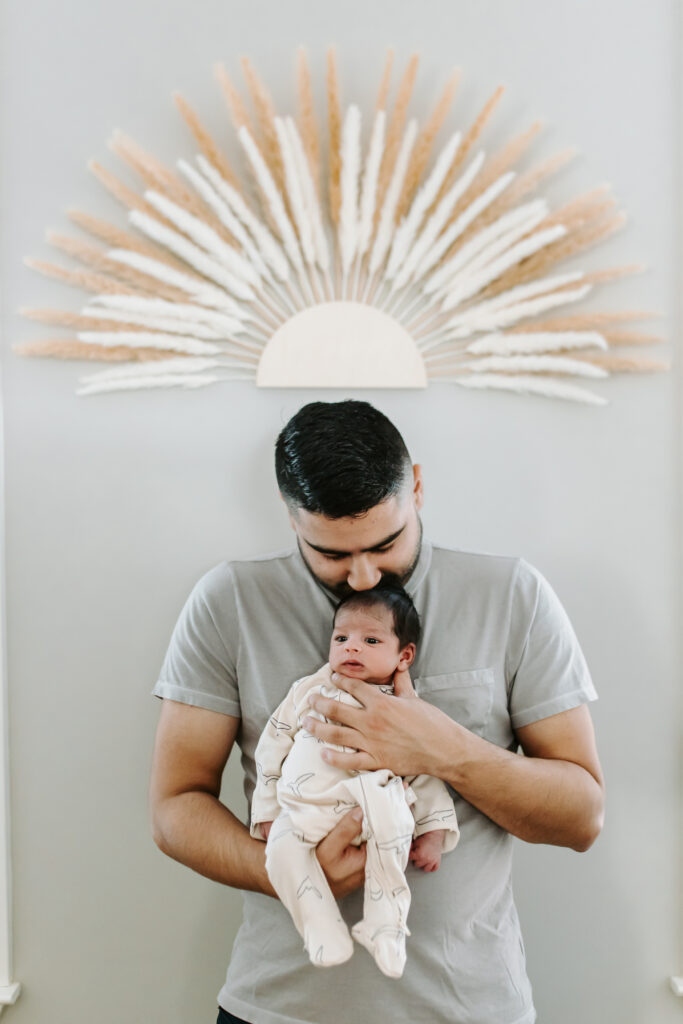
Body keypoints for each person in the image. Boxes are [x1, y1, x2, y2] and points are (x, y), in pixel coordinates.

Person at [149, 399, 605, 1024]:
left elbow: (582, 816)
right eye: (332, 554)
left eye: (385, 543)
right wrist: (289, 874)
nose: (363, 578)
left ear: (415, 486)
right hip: (277, 1009)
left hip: (470, 1010)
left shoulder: (512, 596)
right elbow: (175, 806)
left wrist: (442, 749)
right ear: (290, 516)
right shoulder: (227, 603)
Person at [251, 580, 459, 978]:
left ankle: (386, 925)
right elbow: (272, 745)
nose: (351, 647)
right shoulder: (308, 689)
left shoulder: (404, 711)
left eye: (370, 640)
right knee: (280, 855)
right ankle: (321, 929)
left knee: (392, 842)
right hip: (302, 809)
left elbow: (426, 772)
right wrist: (267, 809)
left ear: (404, 656)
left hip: (373, 807)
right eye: (342, 637)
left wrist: (433, 832)